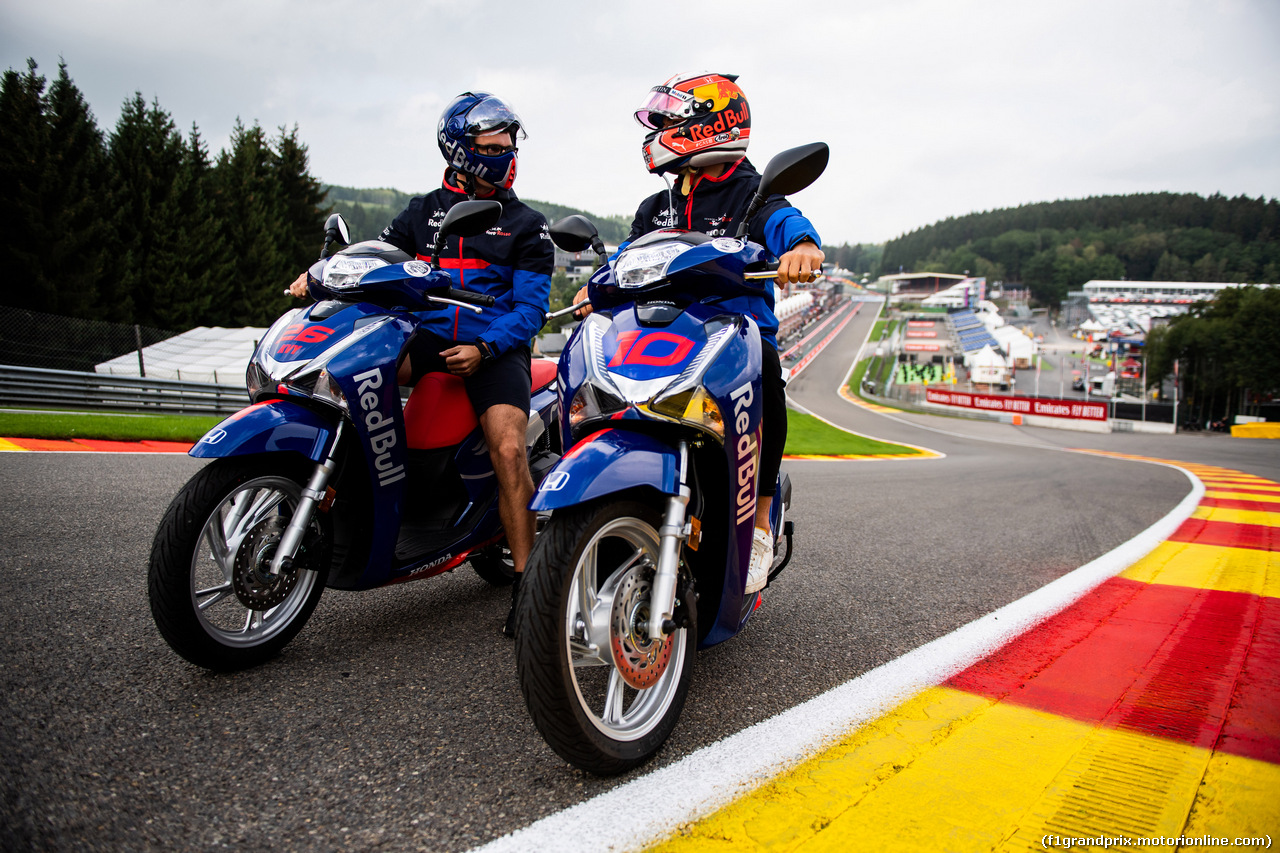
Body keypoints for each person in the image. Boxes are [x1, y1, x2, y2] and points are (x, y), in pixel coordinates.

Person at [290, 92, 552, 636]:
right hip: (425, 338)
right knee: (349, 376)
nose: (507, 155)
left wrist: (485, 349)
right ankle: (371, 494)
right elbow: (374, 259)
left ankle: (529, 587)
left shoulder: (527, 225)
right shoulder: (422, 211)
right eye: (493, 147)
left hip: (492, 348)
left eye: (509, 146)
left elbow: (531, 309)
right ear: (462, 151)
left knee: (507, 445)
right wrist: (318, 276)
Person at [574, 71, 824, 595]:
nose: (659, 129)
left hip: (733, 334)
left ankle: (757, 524)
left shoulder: (753, 192)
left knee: (768, 375)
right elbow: (627, 256)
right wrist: (594, 288)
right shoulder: (656, 207)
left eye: (669, 119)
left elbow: (786, 220)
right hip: (659, 332)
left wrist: (801, 247)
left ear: (713, 123)